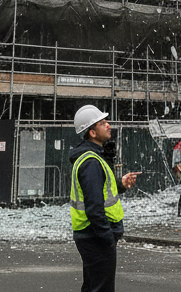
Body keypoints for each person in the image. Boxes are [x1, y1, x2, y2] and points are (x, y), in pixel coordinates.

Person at [69, 104, 141, 292]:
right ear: (92, 133)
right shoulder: (91, 161)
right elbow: (94, 206)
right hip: (95, 235)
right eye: (102, 123)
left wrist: (120, 184)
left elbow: (99, 190)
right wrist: (107, 237)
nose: (108, 125)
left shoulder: (91, 158)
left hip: (91, 234)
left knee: (93, 286)